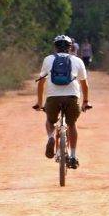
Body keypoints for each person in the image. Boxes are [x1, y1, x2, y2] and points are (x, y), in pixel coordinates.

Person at [34, 34, 91, 169]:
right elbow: (84, 85)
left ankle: (51, 137)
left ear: (55, 47)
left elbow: (41, 83)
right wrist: (85, 101)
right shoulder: (77, 61)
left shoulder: (48, 59)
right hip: (72, 97)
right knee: (72, 124)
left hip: (53, 98)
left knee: (50, 121)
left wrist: (40, 103)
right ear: (70, 48)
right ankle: (73, 156)